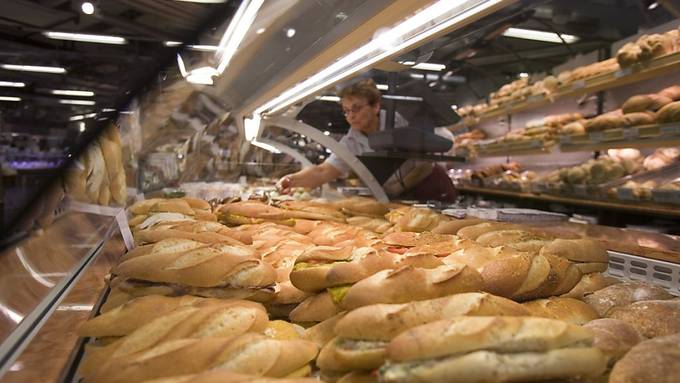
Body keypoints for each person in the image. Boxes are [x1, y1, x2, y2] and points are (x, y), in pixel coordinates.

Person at [276, 78, 457, 201]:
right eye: (346, 111)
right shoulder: (351, 141)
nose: (351, 116)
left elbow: (446, 140)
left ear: (376, 106)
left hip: (431, 186)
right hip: (397, 196)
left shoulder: (400, 119)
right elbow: (323, 172)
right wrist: (291, 180)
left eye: (356, 108)